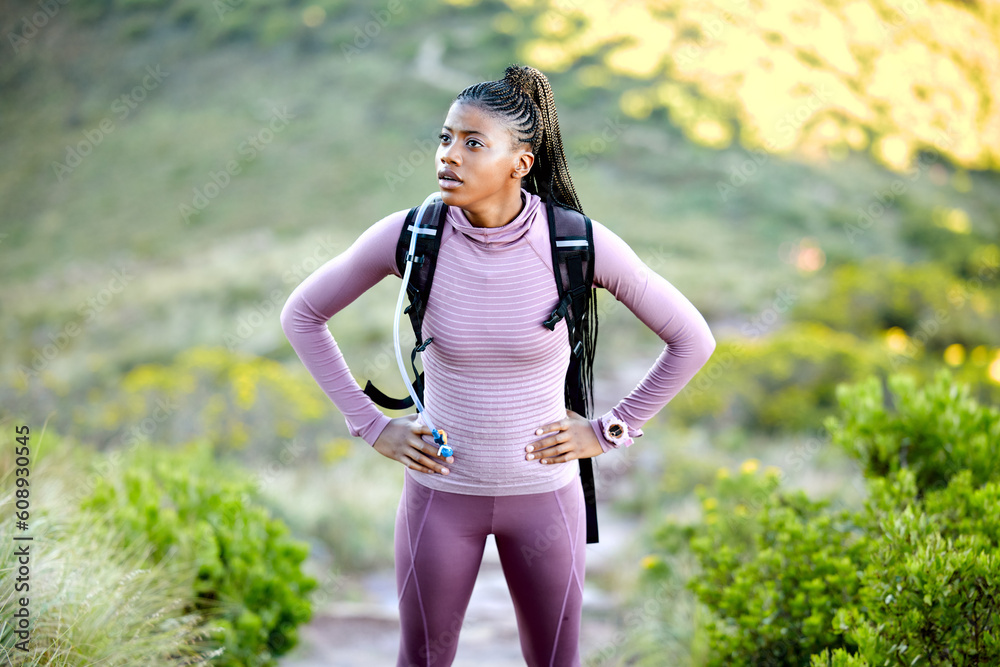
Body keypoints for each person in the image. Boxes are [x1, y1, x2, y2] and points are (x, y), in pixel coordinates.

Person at [280, 64, 715, 667]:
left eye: (473, 143)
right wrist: (373, 426)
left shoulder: (576, 244)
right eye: (445, 138)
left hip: (546, 499)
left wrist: (610, 430)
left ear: (521, 163)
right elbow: (301, 315)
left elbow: (691, 339)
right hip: (439, 497)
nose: (449, 156)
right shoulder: (411, 237)